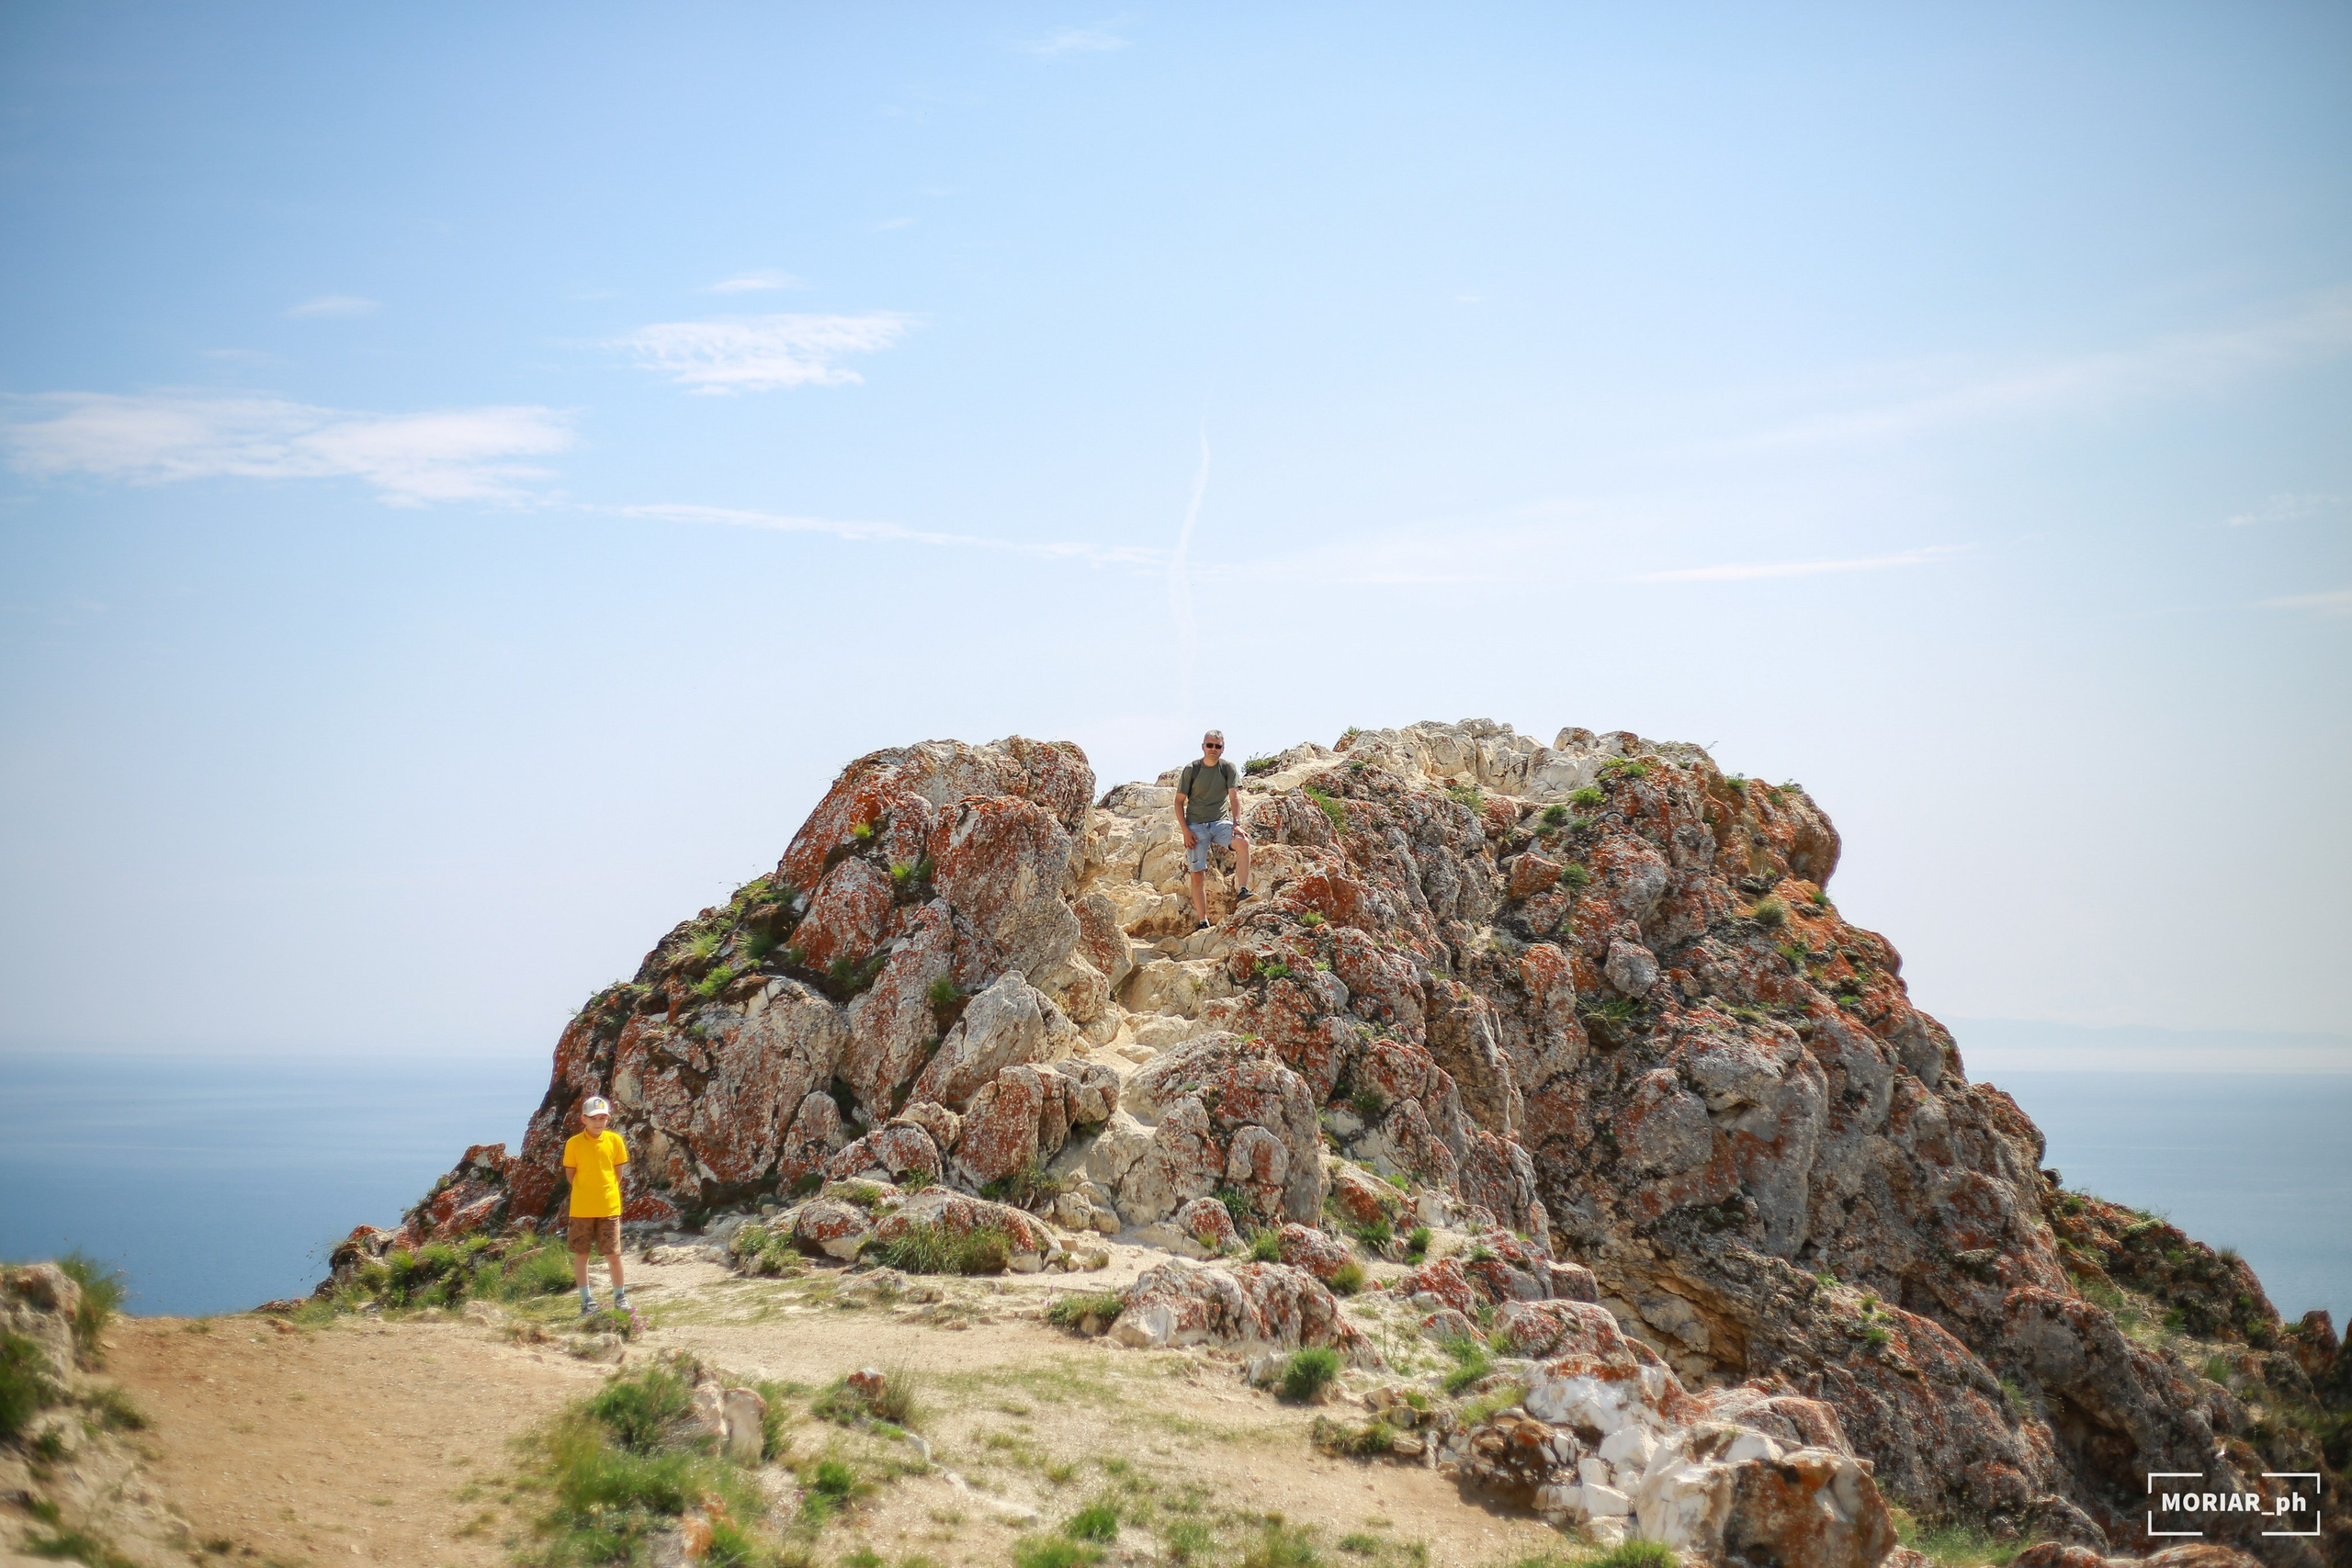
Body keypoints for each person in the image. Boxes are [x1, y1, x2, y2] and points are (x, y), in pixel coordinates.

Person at [1174, 728, 1252, 929]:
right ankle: (1203, 920)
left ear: (1222, 749)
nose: (1213, 749)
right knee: (1197, 872)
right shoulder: (1192, 770)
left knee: (1243, 842)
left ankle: (1243, 890)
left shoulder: (1228, 768)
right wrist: (1185, 831)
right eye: (1210, 745)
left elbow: (1234, 797)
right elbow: (1179, 802)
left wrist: (1237, 824)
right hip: (1196, 825)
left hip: (1220, 822)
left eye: (1217, 746)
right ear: (1203, 746)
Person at [562, 1095, 629, 1316]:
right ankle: (586, 1300)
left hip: (609, 1208)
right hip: (581, 1210)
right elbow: (571, 1175)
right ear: (583, 1119)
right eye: (594, 1118)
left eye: (603, 1117)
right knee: (582, 1256)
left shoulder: (615, 1141)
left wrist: (604, 1194)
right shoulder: (573, 1144)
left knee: (614, 1256)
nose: (599, 1122)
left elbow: (617, 1175)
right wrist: (586, 1192)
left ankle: (620, 1297)